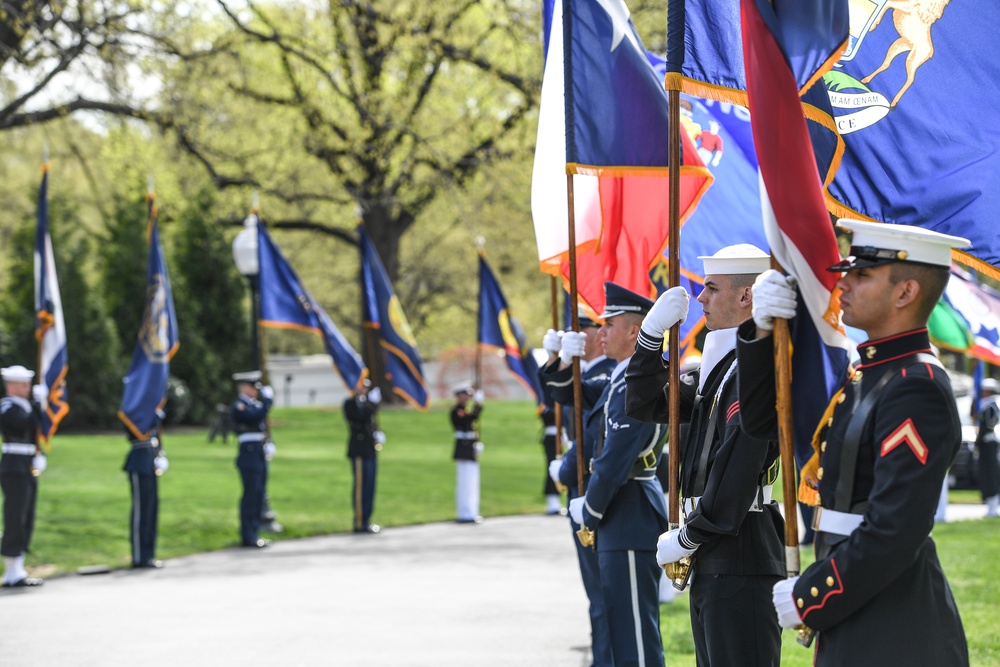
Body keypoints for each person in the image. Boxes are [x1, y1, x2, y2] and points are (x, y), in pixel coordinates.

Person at [738, 219, 969, 665]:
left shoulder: (915, 385)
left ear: (905, 293)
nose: (842, 283)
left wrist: (811, 595)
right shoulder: (865, 374)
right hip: (858, 604)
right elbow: (765, 422)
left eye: (861, 275)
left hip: (895, 625)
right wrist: (763, 332)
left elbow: (894, 530)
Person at [625, 244, 784, 666]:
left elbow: (740, 458)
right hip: (716, 550)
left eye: (711, 289)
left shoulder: (754, 372)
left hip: (739, 544)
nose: (700, 299)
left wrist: (691, 533)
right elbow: (644, 403)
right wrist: (650, 338)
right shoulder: (720, 369)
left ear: (746, 296)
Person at [545, 282, 669, 667]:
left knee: (635, 635)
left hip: (629, 511)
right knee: (621, 627)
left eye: (609, 324)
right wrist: (559, 360)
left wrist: (591, 510)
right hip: (621, 514)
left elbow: (615, 458)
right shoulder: (620, 377)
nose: (599, 333)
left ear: (635, 331)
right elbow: (570, 395)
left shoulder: (638, 380)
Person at [543, 313, 616, 666]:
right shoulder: (588, 373)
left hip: (591, 487)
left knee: (601, 591)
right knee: (596, 590)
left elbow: (589, 437)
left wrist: (566, 470)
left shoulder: (608, 374)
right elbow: (556, 392)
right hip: (583, 487)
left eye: (584, 330)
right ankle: (601, 655)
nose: (588, 334)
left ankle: (604, 659)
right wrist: (558, 360)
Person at [1, 365, 47, 588]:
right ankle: (11, 570)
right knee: (15, 516)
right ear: (10, 385)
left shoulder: (25, 406)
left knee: (27, 516)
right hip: (14, 467)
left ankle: (18, 568)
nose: (27, 388)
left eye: (28, 385)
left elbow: (37, 431)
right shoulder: (7, 406)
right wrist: (39, 405)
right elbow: (24, 425)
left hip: (27, 464)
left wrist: (39, 454)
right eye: (23, 385)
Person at [230, 371, 274, 548]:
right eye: (253, 387)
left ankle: (254, 532)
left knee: (258, 493)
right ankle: (247, 535)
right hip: (248, 454)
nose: (256, 391)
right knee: (250, 494)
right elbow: (253, 418)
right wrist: (268, 403)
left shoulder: (254, 404)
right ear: (244, 388)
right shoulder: (240, 405)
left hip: (259, 452)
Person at [123, 408, 168, 568]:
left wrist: (160, 453)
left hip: (150, 460)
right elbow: (135, 429)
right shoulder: (134, 406)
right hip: (140, 460)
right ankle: (139, 556)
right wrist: (154, 416)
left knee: (151, 509)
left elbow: (156, 433)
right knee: (141, 511)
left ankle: (148, 554)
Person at [344, 379, 384, 533]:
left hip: (370, 449)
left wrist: (377, 434)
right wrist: (373, 404)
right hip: (359, 450)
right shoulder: (351, 403)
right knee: (361, 487)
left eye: (366, 386)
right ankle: (360, 521)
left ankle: (367, 519)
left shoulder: (367, 403)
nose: (365, 389)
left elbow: (370, 422)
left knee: (370, 486)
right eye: (362, 386)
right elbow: (359, 417)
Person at [451, 384, 484, 523]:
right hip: (463, 450)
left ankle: (471, 511)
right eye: (464, 394)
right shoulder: (457, 410)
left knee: (472, 482)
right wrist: (478, 406)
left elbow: (472, 424)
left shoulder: (465, 410)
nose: (467, 397)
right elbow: (466, 421)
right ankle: (464, 513)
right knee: (464, 483)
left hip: (470, 449)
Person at [976, 377, 1000, 517]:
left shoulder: (989, 406)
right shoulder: (991, 405)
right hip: (990, 443)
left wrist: (978, 442)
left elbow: (987, 427)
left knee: (990, 474)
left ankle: (993, 507)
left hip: (988, 443)